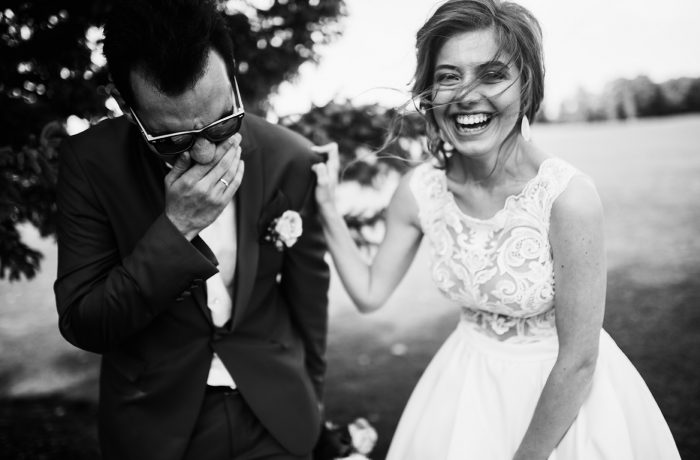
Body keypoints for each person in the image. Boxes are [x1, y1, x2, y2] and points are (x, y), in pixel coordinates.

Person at [311, 0, 681, 458]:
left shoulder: (567, 198)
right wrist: (326, 208)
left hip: (562, 403)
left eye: (491, 75)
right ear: (429, 92)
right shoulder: (420, 191)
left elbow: (579, 361)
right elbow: (369, 292)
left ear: (527, 87)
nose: (467, 95)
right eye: (449, 76)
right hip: (463, 387)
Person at [53, 1, 329, 459]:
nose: (204, 153)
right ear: (127, 106)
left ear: (234, 81)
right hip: (156, 428)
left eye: (223, 122)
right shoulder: (89, 164)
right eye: (174, 139)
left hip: (276, 419)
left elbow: (309, 300)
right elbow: (87, 324)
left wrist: (312, 400)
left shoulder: (292, 159)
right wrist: (175, 229)